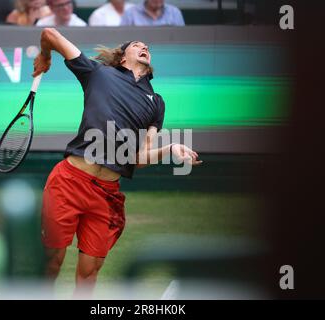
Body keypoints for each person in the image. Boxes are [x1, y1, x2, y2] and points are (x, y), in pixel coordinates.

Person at [33, 28, 201, 297]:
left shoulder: (156, 103)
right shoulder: (97, 73)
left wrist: (170, 148)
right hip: (69, 181)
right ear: (123, 57)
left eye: (147, 46)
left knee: (89, 271)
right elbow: (50, 34)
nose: (144, 46)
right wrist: (45, 57)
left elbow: (137, 159)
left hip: (105, 194)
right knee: (51, 261)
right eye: (137, 44)